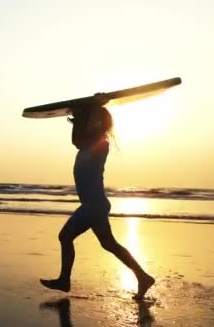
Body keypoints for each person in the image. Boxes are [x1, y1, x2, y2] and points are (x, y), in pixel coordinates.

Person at [40, 105, 155, 300]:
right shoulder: (86, 144)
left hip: (93, 206)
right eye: (91, 121)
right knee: (109, 244)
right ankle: (143, 277)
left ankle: (64, 280)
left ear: (102, 124)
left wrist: (84, 114)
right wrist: (79, 117)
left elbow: (79, 140)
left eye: (96, 121)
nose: (93, 124)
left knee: (65, 237)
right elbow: (76, 140)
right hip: (95, 205)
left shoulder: (102, 144)